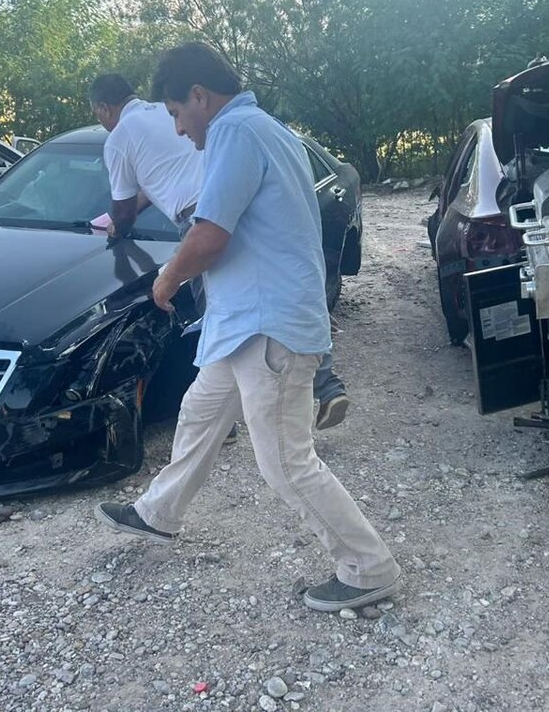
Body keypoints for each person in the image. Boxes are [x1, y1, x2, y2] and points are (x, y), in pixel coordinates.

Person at [95, 44, 400, 613]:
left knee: (285, 460)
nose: (179, 130)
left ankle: (368, 567)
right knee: (200, 412)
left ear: (199, 96)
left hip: (267, 326)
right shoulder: (268, 129)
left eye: (177, 114)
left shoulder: (234, 132)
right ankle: (157, 512)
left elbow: (210, 235)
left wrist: (166, 280)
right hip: (247, 323)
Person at [88, 72, 350, 431]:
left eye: (98, 114)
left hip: (205, 217)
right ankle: (327, 383)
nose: (179, 127)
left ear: (104, 107)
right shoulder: (168, 113)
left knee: (214, 314)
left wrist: (122, 235)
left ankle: (222, 421)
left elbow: (123, 210)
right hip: (234, 196)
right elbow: (161, 179)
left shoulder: (121, 138)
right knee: (277, 293)